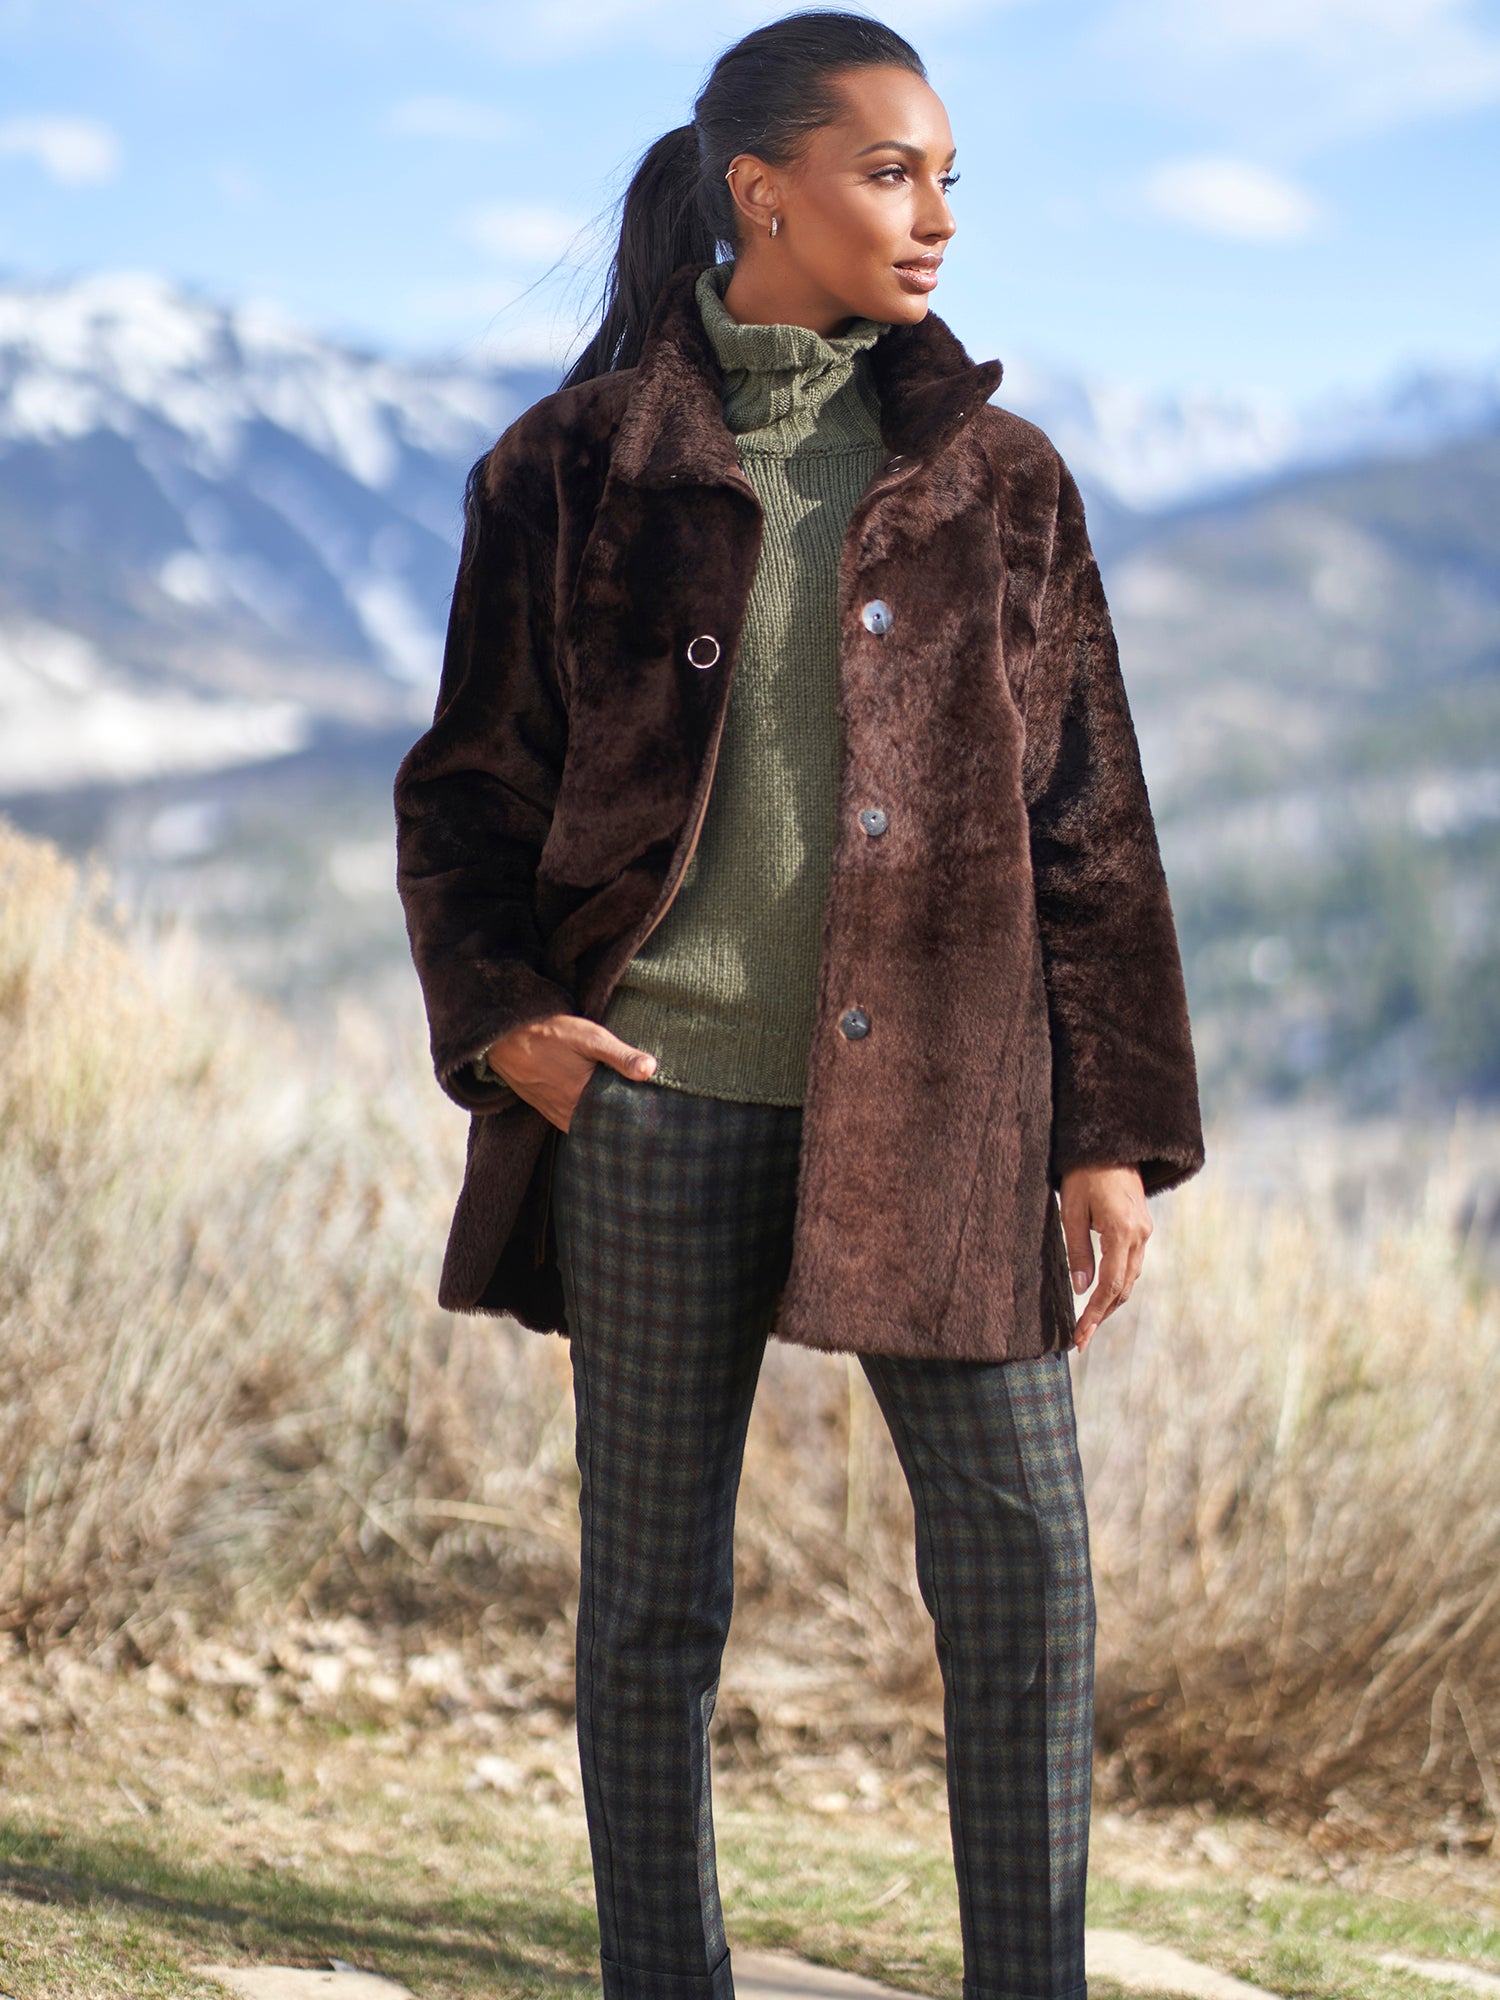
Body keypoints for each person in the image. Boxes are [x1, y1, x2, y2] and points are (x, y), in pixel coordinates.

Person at [394, 12, 1205, 1998]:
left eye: (948, 181)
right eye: (889, 172)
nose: (936, 218)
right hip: (651, 1106)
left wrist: (1107, 1132)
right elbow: (467, 796)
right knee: (653, 1606)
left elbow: (1089, 823)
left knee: (1026, 1579)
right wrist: (506, 1023)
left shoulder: (1002, 481)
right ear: (760, 189)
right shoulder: (572, 469)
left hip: (947, 1113)